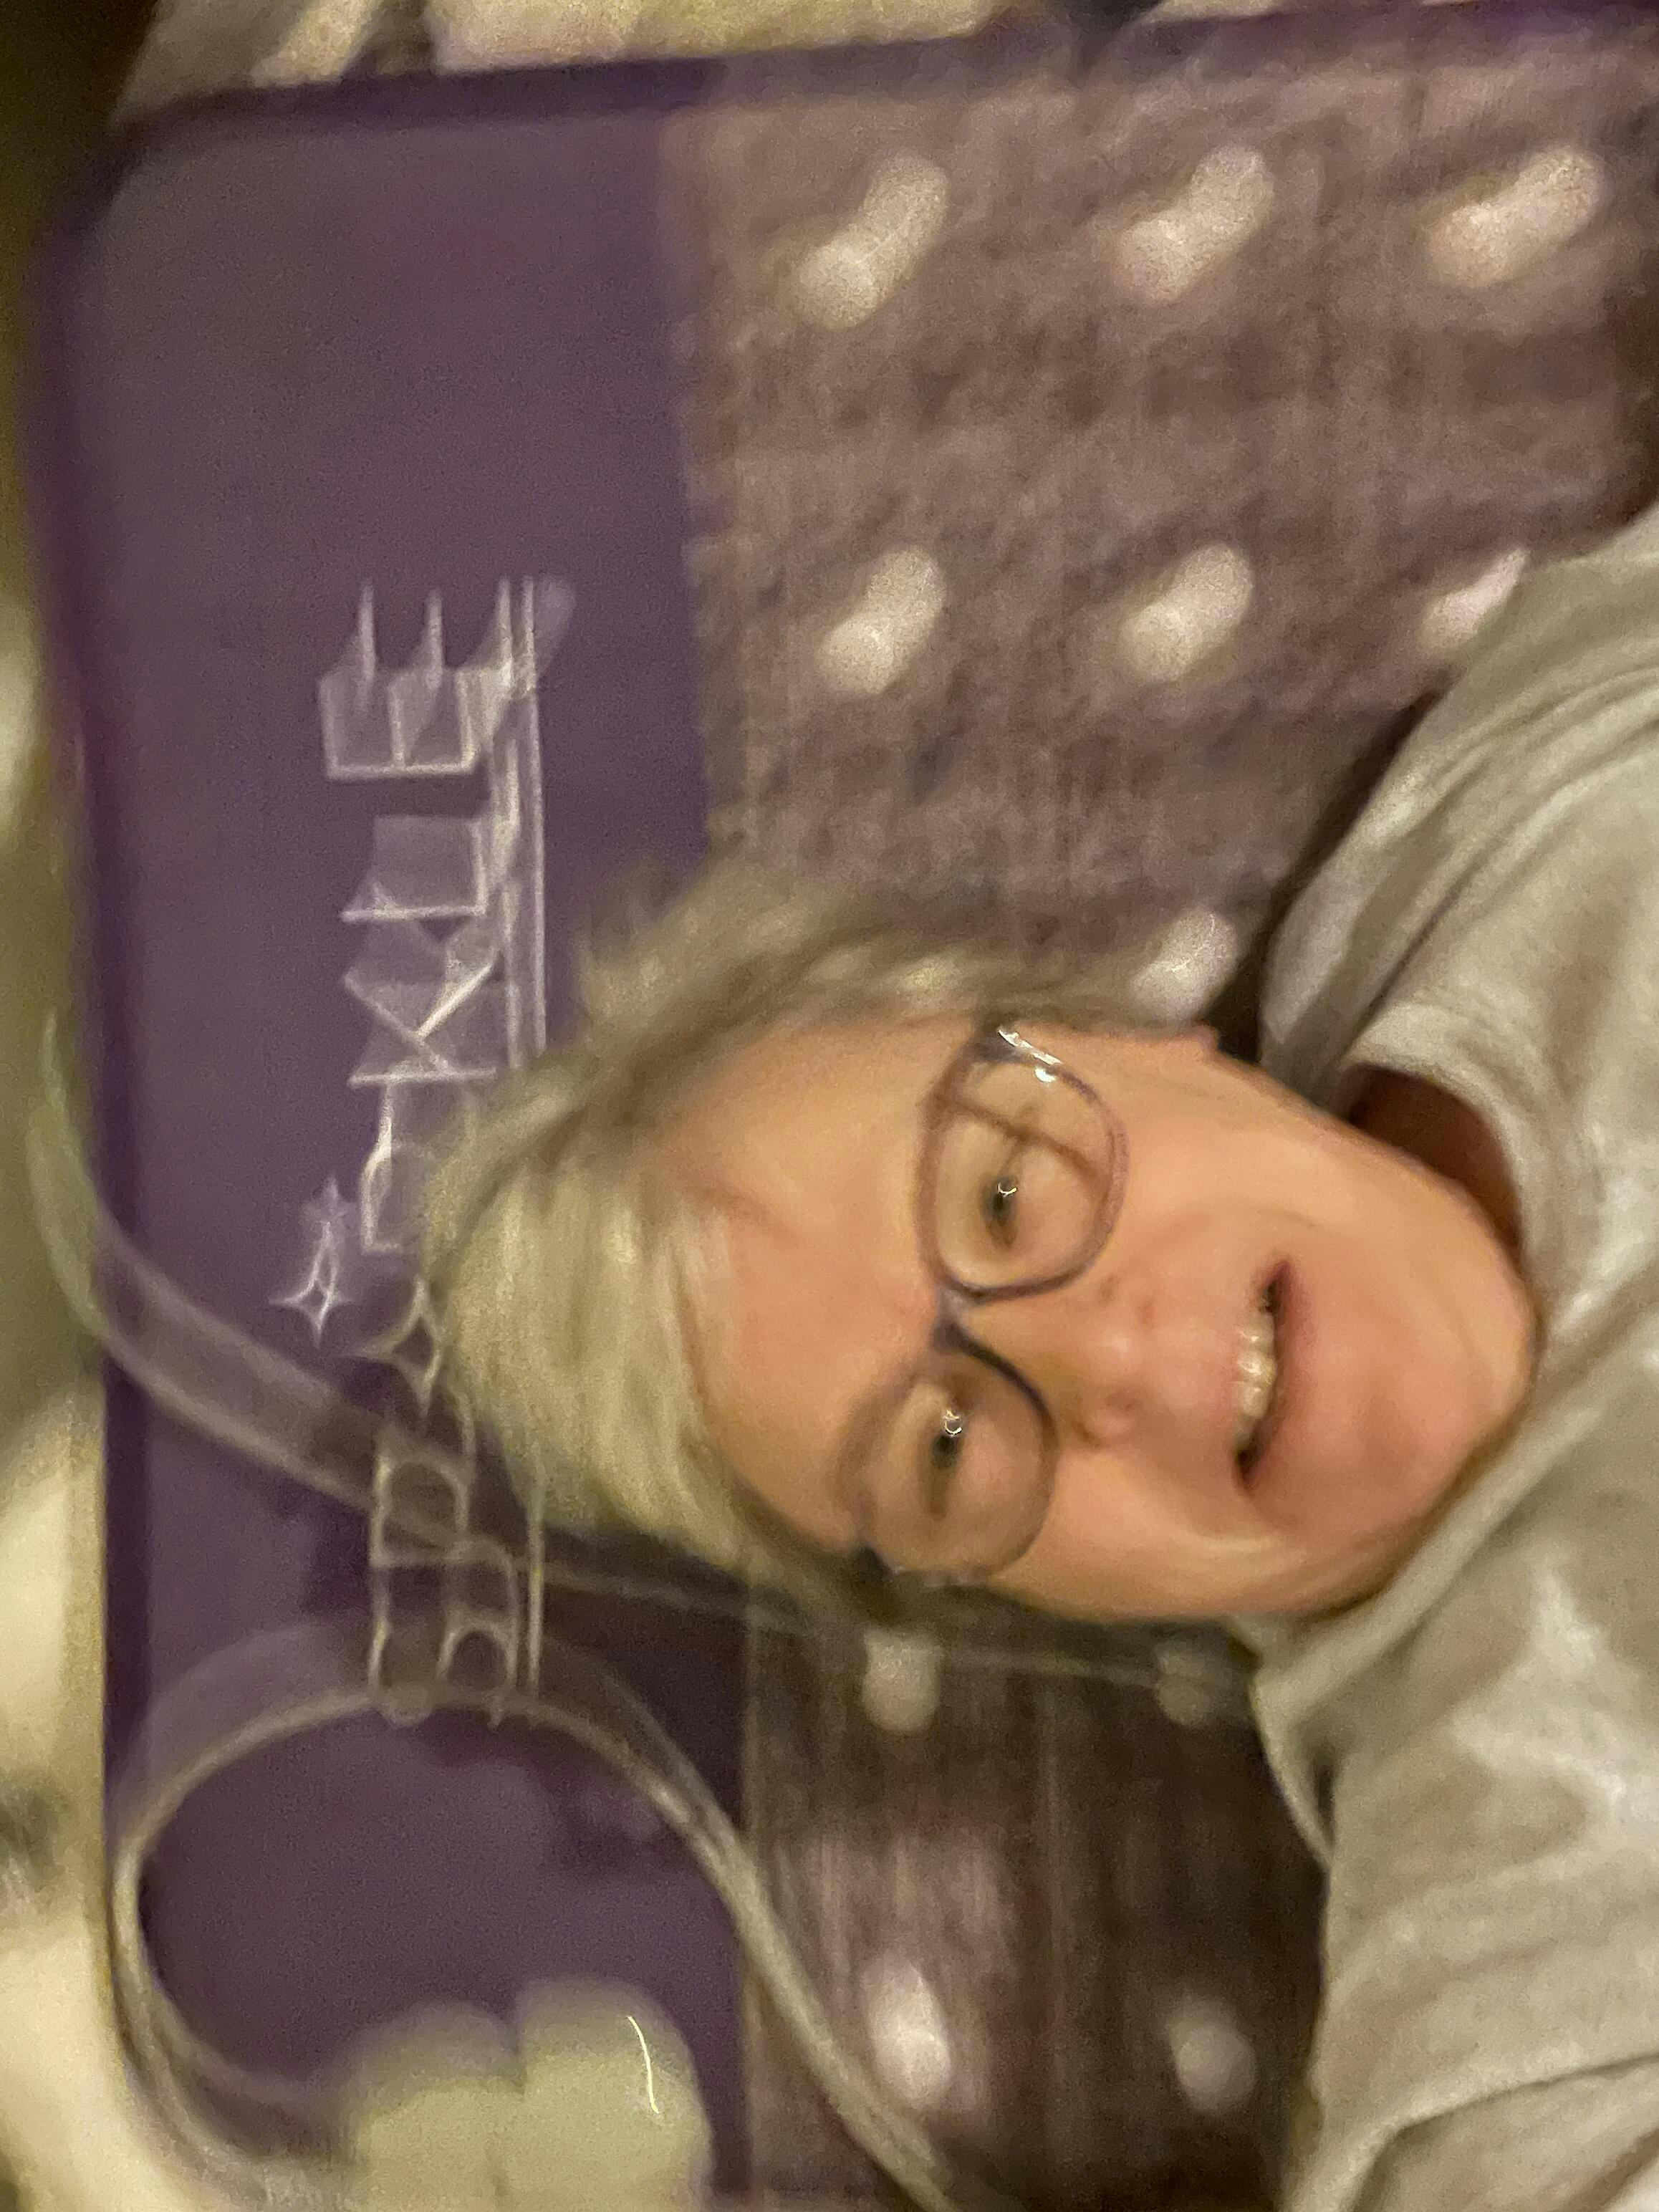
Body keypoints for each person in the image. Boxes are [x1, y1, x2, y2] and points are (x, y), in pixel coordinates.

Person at [422, 499, 1659, 2212]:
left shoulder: (1530, 789)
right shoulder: (1504, 1970)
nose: (1097, 1357)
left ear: (1136, 1046)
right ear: (1040, 1598)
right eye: (942, 1447)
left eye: (1002, 1191)